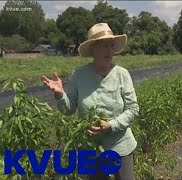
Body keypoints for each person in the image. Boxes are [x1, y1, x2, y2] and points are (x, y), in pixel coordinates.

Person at [42, 23, 139, 180]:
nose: (109, 51)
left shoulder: (122, 75)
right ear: (93, 48)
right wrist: (60, 94)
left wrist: (111, 125)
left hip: (120, 145)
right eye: (104, 45)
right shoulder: (79, 75)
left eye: (111, 45)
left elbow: (132, 109)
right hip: (91, 148)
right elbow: (68, 109)